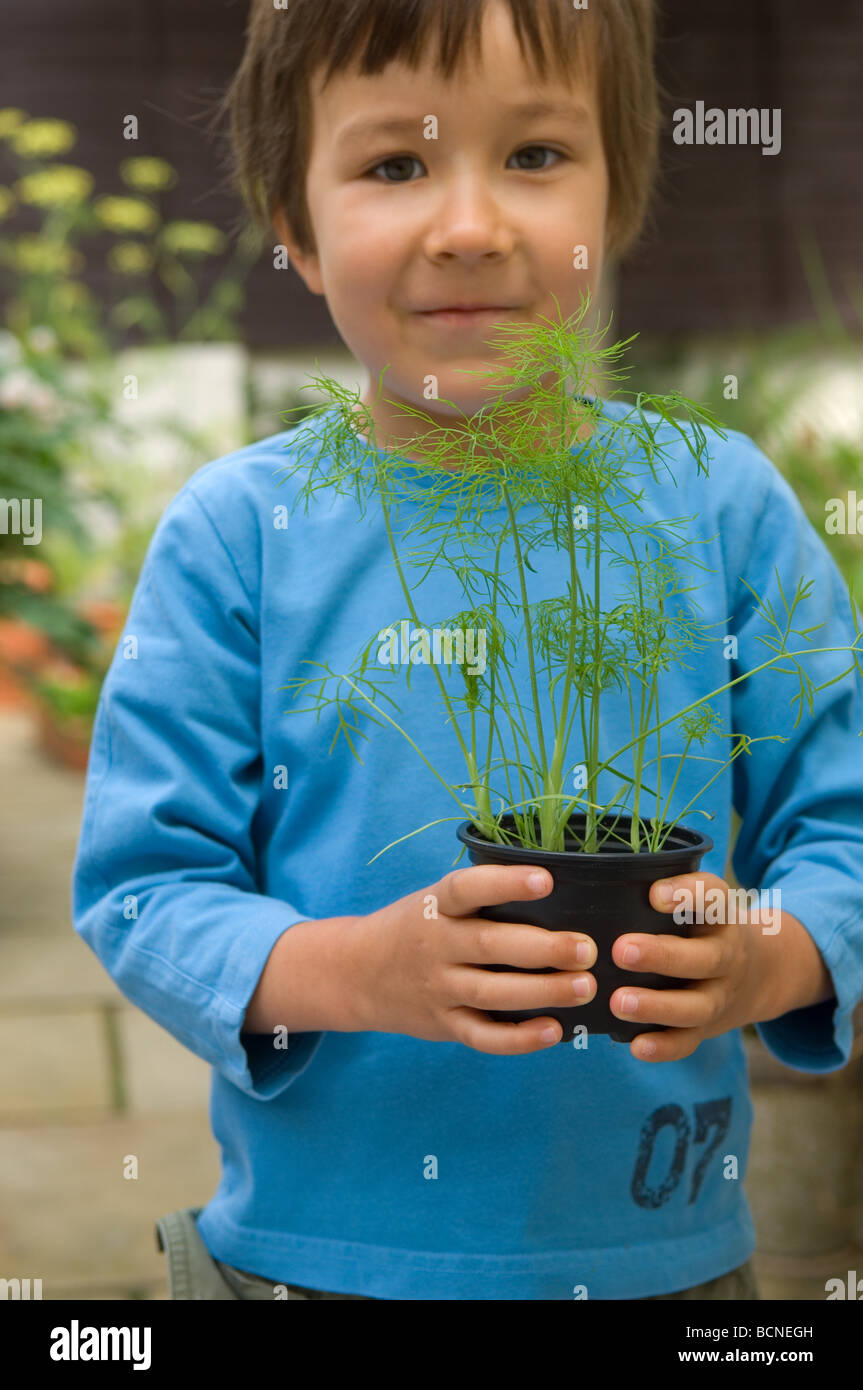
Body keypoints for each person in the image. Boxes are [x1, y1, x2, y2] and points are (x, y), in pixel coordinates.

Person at [73, 0, 863, 1300]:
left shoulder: (719, 505)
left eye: (536, 157)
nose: (471, 225)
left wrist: (772, 952)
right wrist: (360, 969)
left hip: (662, 1258)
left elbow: (844, 829)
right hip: (310, 1266)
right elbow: (145, 890)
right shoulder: (239, 534)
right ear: (295, 228)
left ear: (621, 189)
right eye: (395, 165)